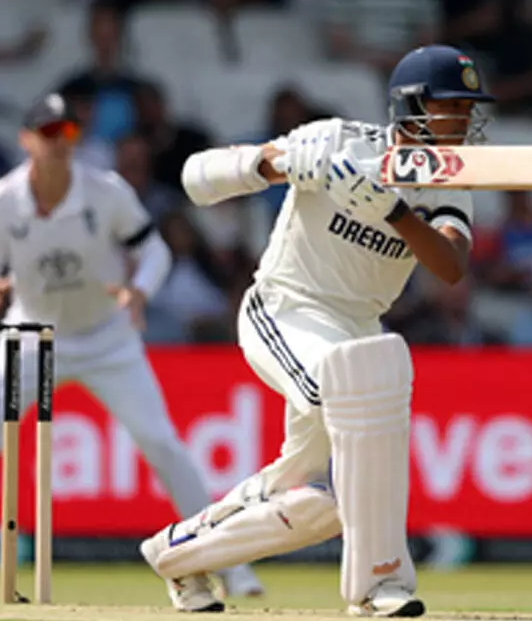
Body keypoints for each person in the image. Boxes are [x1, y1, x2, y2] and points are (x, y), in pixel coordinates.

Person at [138, 44, 490, 616]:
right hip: (285, 308)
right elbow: (195, 178)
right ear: (414, 106)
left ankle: (178, 554)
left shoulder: (448, 184)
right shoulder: (340, 141)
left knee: (321, 497)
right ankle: (380, 583)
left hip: (355, 329)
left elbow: (450, 267)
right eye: (455, 108)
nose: (467, 122)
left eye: (471, 110)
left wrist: (393, 212)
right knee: (365, 391)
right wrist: (275, 164)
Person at [0, 94, 263, 601]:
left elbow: (151, 249)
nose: (59, 143)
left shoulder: (104, 191)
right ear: (26, 140)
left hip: (107, 337)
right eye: (48, 133)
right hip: (30, 335)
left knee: (161, 443)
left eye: (67, 133)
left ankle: (230, 564)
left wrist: (141, 291)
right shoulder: (1, 199)